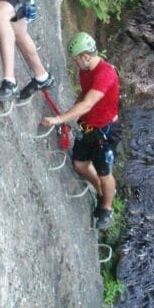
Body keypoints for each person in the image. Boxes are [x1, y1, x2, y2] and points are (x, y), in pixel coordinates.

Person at [41, 32, 120, 230]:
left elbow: (88, 103)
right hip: (88, 127)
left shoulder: (105, 74)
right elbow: (84, 94)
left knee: (105, 172)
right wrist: (72, 114)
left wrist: (60, 119)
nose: (74, 63)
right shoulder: (85, 71)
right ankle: (99, 188)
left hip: (104, 132)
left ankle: (107, 207)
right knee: (80, 164)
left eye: (76, 59)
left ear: (85, 56)